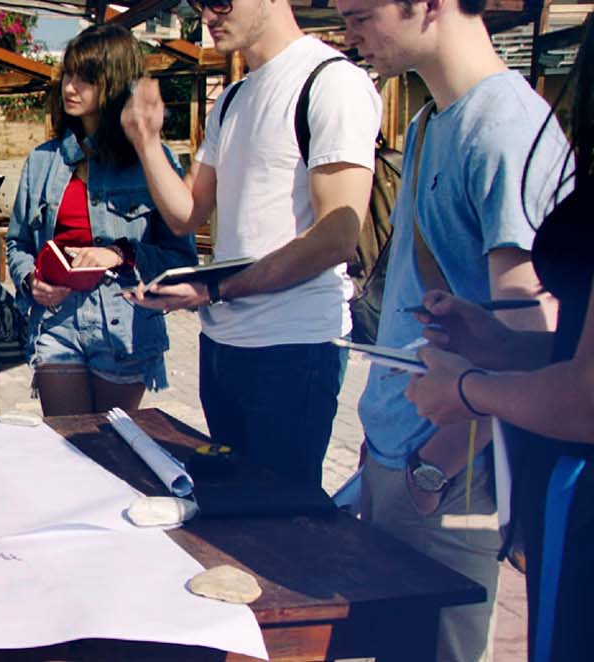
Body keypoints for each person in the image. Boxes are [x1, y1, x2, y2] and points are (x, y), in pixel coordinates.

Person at [333, 0, 567, 657]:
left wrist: (429, 468)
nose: (348, 36)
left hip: (446, 474)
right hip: (402, 455)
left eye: (360, 14)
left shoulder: (507, 126)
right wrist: (382, 444)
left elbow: (530, 335)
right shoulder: (435, 121)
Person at [120, 0, 382, 487]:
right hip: (222, 344)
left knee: (275, 521)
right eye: (198, 5)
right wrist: (147, 141)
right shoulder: (234, 97)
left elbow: (336, 238)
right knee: (230, 509)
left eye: (219, 2)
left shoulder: (332, 82)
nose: (207, 17)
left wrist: (215, 290)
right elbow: (186, 214)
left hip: (292, 345)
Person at [405, 14, 591, 661]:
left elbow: (587, 395)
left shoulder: (506, 126)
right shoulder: (429, 122)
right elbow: (571, 350)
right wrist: (499, 346)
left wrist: (468, 392)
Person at [6, 25, 197, 416]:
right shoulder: (44, 161)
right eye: (68, 75)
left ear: (113, 84)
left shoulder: (153, 162)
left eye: (86, 78)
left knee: (111, 451)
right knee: (66, 445)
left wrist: (121, 253)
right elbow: (18, 243)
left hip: (124, 323)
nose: (70, 87)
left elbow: (180, 258)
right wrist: (30, 281)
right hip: (57, 320)